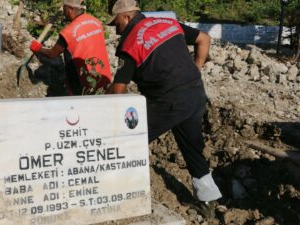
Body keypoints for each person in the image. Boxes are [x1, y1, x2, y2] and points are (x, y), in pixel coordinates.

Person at [106, 0, 222, 218]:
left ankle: (120, 190)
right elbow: (204, 39)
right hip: (196, 94)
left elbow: (118, 90)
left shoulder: (130, 43)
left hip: (170, 101)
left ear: (127, 17)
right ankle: (208, 201)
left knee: (130, 139)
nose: (116, 28)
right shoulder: (168, 22)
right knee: (191, 147)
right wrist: (196, 70)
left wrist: (100, 105)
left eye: (117, 23)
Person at [29, 0, 112, 95]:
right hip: (103, 77)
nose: (64, 14)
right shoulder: (96, 22)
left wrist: (37, 48)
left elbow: (52, 54)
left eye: (64, 10)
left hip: (84, 83)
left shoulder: (68, 33)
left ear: (70, 9)